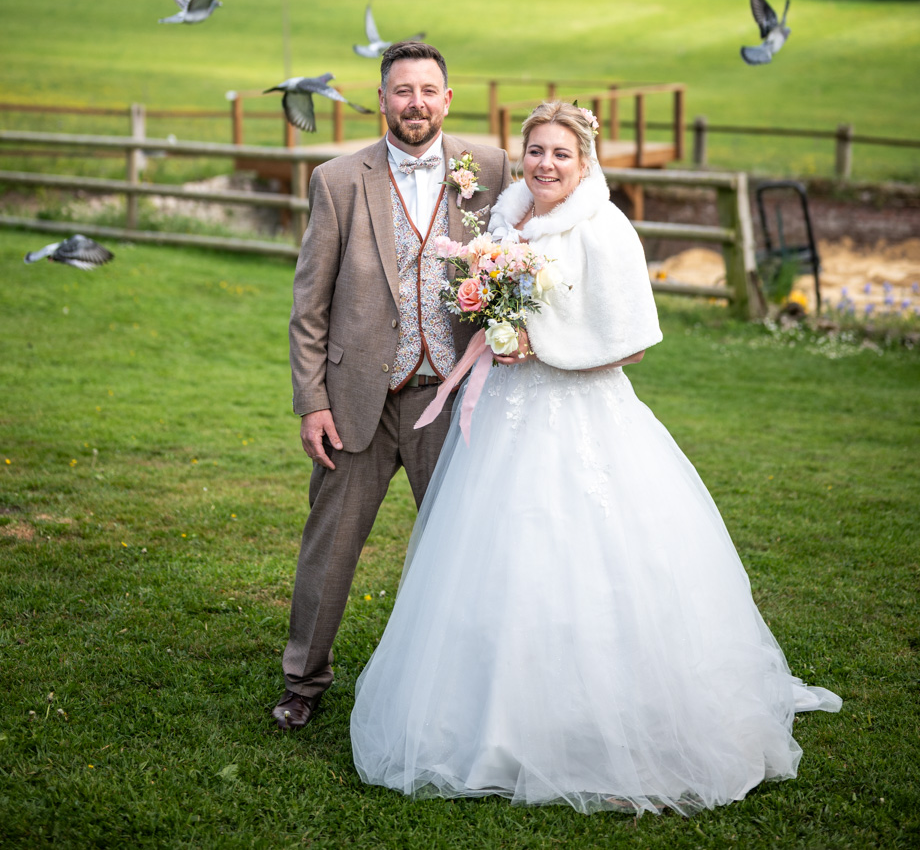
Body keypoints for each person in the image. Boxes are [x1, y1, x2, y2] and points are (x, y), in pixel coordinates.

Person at [350, 100, 841, 815]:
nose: (545, 165)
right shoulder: (504, 224)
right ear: (520, 157)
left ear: (584, 163)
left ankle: (603, 720)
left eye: (561, 154)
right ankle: (495, 717)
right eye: (535, 151)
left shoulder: (605, 228)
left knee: (591, 557)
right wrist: (499, 325)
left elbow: (632, 342)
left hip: (581, 416)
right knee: (499, 558)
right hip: (506, 418)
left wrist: (539, 344)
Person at [272, 41, 512, 729]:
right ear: (381, 100)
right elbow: (309, 306)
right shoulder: (338, 180)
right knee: (330, 547)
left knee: (464, 546)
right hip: (358, 403)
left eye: (428, 90)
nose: (416, 103)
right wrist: (312, 402)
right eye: (402, 91)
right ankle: (303, 681)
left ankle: (469, 683)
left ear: (448, 99)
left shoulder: (490, 168)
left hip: (452, 398)